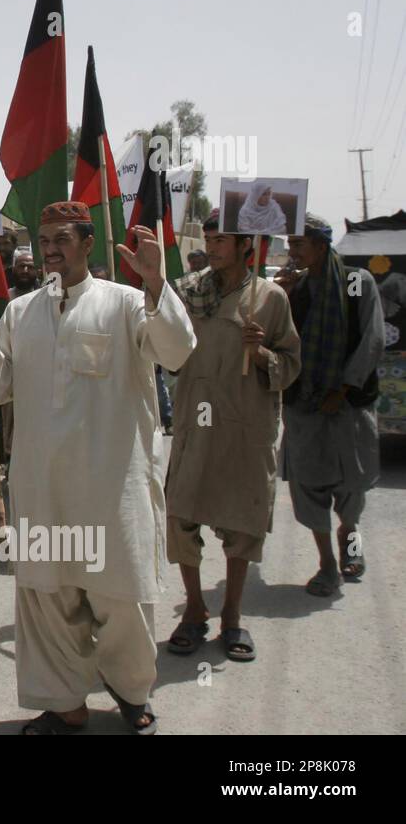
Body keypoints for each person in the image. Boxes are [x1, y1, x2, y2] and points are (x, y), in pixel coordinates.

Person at [0, 202, 196, 735]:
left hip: (110, 488)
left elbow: (178, 351)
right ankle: (65, 704)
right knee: (47, 600)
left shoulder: (127, 303)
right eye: (44, 239)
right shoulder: (19, 312)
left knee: (122, 598)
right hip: (42, 488)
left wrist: (156, 281)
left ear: (88, 242)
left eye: (62, 239)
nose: (50, 249)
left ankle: (132, 693)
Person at [164, 211, 300, 660]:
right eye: (208, 239)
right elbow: (165, 345)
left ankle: (233, 616)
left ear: (246, 245)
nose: (212, 247)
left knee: (242, 521)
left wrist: (260, 353)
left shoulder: (271, 298)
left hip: (245, 424)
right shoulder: (188, 292)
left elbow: (291, 365)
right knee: (181, 516)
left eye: (221, 239)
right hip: (196, 419)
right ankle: (194, 609)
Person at [281, 213, 385, 597]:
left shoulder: (357, 282)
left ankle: (350, 540)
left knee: (352, 487)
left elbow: (372, 339)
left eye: (298, 244)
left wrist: (343, 387)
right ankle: (326, 564)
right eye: (290, 245)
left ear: (320, 245)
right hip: (304, 404)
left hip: (348, 405)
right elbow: (281, 341)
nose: (292, 252)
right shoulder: (295, 288)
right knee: (308, 485)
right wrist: (283, 297)